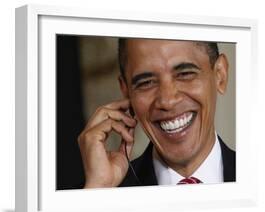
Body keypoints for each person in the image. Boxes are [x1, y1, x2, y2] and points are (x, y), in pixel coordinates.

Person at [77, 38, 235, 188]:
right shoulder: (103, 191)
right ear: (126, 92)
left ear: (220, 75)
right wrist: (98, 188)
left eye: (185, 74)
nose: (167, 101)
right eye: (146, 83)